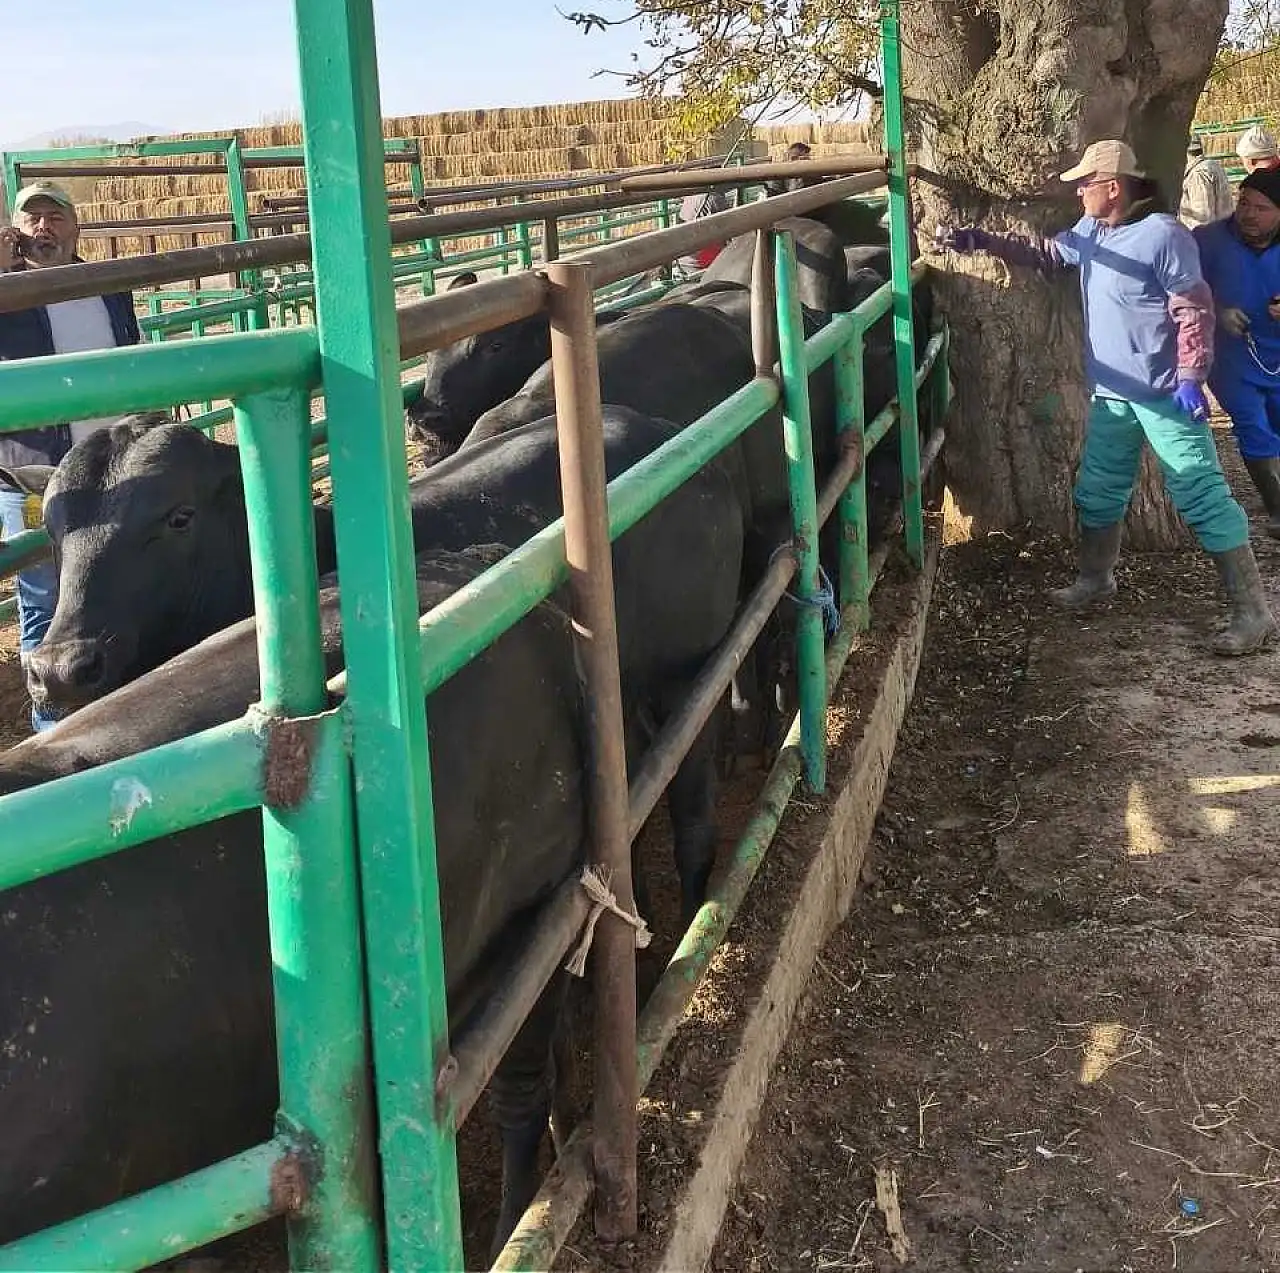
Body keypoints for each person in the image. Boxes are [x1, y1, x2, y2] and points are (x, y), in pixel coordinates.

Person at [935, 138, 1275, 656]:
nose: (1079, 195)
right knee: (1098, 489)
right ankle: (1097, 579)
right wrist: (981, 239)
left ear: (1112, 187)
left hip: (1165, 395)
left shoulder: (1164, 236)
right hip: (1114, 393)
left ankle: (1253, 612)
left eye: (1085, 186)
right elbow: (1048, 254)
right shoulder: (1092, 230)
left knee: (1201, 494)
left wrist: (1190, 376)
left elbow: (1194, 308)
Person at [0, 181, 141, 731]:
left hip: (113, 471)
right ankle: (51, 725)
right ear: (15, 231)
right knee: (43, 599)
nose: (44, 229)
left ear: (75, 226)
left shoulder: (107, 285)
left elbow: (131, 354)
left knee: (116, 585)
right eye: (31, 219)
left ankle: (119, 701)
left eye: (54, 217)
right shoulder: (8, 297)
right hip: (39, 477)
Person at [1193, 167, 1280, 538]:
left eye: (1261, 208)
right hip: (1233, 358)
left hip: (1275, 356)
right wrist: (1216, 309)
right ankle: (1278, 511)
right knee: (1252, 426)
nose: (1248, 214)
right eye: (1244, 203)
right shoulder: (1207, 240)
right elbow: (1181, 287)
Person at [1179, 135, 1233, 228]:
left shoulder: (1197, 174)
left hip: (1208, 237)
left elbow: (1203, 218)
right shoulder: (1214, 165)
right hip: (1224, 230)